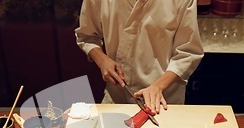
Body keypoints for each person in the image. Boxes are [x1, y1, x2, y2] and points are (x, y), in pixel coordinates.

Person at [75, 0, 204, 114]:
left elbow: (188, 52)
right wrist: (103, 61)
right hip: (117, 97)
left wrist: (157, 87)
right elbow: (86, 36)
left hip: (164, 102)